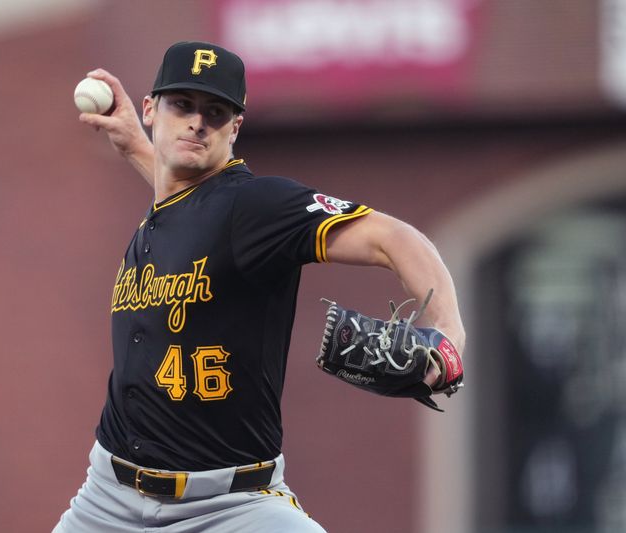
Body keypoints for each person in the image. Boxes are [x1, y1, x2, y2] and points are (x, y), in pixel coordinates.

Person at [53, 41, 465, 533]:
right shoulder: (174, 204)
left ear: (235, 128)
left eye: (215, 111)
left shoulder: (256, 206)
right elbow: (188, 205)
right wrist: (135, 146)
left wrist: (449, 332)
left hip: (231, 507)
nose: (196, 122)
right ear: (150, 109)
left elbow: (392, 237)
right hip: (107, 501)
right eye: (182, 105)